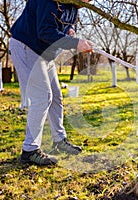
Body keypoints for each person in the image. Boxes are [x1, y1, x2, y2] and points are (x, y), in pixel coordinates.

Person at [9, 0, 93, 166]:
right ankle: (30, 150)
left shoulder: (73, 6)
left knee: (56, 97)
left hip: (45, 54)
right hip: (27, 47)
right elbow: (45, 32)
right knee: (42, 97)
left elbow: (64, 26)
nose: (88, 1)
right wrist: (76, 43)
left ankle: (59, 141)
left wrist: (70, 31)